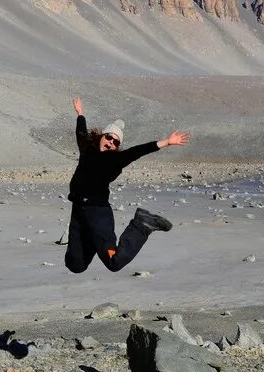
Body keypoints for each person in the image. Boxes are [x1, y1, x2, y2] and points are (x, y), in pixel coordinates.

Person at [64, 96, 189, 273]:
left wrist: (166, 142)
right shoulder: (87, 149)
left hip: (97, 214)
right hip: (78, 212)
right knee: (75, 265)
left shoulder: (115, 160)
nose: (111, 143)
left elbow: (137, 151)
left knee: (114, 262)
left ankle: (141, 225)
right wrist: (80, 113)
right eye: (109, 137)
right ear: (102, 136)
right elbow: (81, 132)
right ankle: (92, 241)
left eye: (116, 142)